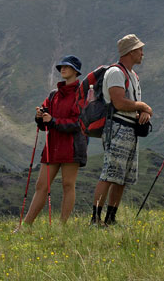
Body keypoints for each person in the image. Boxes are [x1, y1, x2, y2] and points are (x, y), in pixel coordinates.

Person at [90, 34, 153, 227]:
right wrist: (142, 106)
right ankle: (95, 218)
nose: (142, 53)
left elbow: (129, 104)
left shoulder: (132, 75)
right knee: (110, 173)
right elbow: (118, 102)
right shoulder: (116, 73)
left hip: (129, 128)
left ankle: (110, 218)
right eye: (140, 49)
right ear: (131, 51)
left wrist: (143, 112)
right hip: (118, 127)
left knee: (122, 176)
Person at [18, 56, 88, 228]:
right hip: (54, 146)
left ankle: (61, 226)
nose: (62, 69)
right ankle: (26, 225)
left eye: (67, 67)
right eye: (61, 67)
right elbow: (44, 125)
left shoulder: (82, 94)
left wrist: (53, 121)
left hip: (72, 146)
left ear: (75, 71)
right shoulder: (53, 95)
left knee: (68, 184)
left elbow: (79, 123)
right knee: (41, 185)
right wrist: (40, 118)